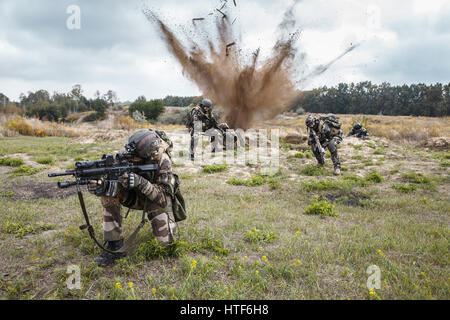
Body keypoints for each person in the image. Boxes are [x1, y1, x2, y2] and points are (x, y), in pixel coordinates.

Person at [88, 129, 178, 267]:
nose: (131, 159)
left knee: (166, 246)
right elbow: (107, 181)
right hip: (133, 197)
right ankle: (114, 246)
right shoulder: (124, 156)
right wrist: (101, 186)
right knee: (108, 193)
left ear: (148, 155)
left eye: (135, 158)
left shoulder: (162, 160)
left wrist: (140, 182)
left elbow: (163, 199)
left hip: (155, 201)